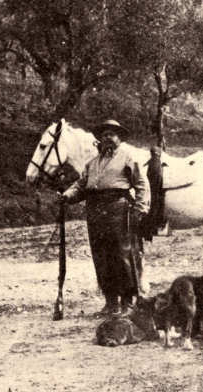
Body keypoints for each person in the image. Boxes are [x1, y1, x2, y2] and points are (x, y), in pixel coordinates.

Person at [60, 119, 150, 315]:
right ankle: (111, 303)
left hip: (119, 210)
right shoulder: (92, 163)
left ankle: (127, 303)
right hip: (95, 212)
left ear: (119, 138)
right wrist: (67, 195)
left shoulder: (128, 159)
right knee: (101, 257)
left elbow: (142, 185)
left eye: (112, 134)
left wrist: (140, 208)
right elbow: (81, 185)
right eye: (104, 134)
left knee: (122, 256)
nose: (107, 138)